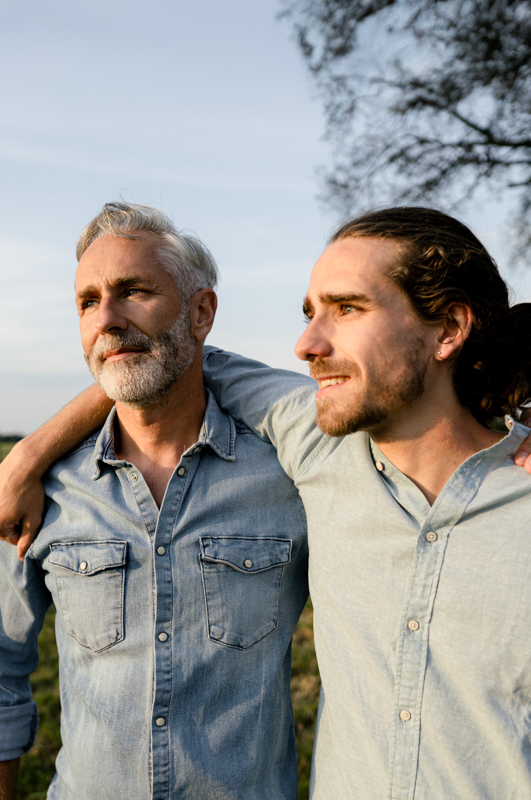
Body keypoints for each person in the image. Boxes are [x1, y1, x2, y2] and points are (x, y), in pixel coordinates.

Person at [1, 207, 531, 799]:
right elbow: (153, 358)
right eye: (311, 312)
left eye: (346, 308)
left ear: (447, 330)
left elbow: (180, 351)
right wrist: (30, 456)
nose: (307, 344)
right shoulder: (316, 449)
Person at [0, 203, 308, 800]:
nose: (106, 320)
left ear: (201, 312)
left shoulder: (290, 478)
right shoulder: (44, 489)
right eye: (87, 302)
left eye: (133, 290)